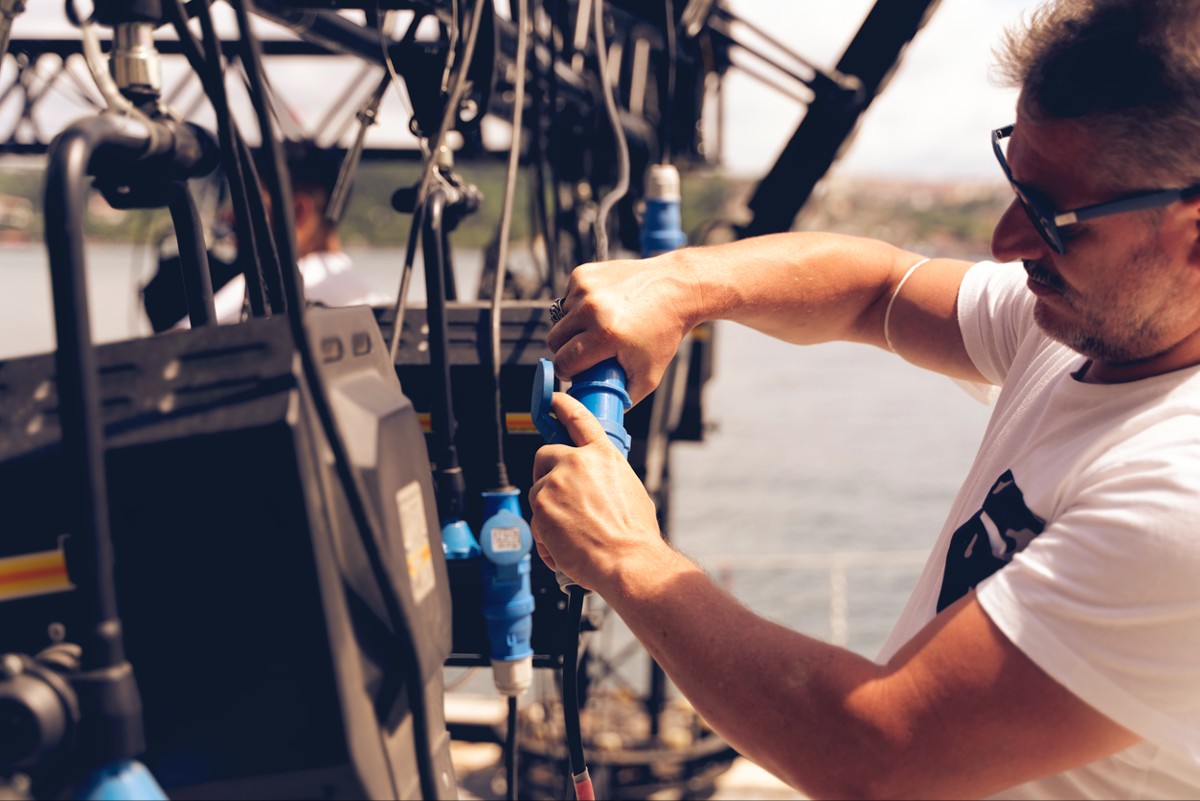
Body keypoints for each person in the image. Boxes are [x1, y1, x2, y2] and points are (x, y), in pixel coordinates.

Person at [529, 1, 1200, 798]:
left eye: (1054, 219)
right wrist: (679, 282)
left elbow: (878, 754)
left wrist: (624, 555)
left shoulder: (1178, 490)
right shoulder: (1081, 323)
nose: (1005, 240)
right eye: (1016, 182)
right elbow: (878, 290)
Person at [143, 141, 387, 331]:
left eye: (248, 203)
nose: (230, 216)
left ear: (298, 211)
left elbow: (170, 347)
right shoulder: (371, 299)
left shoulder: (274, 286)